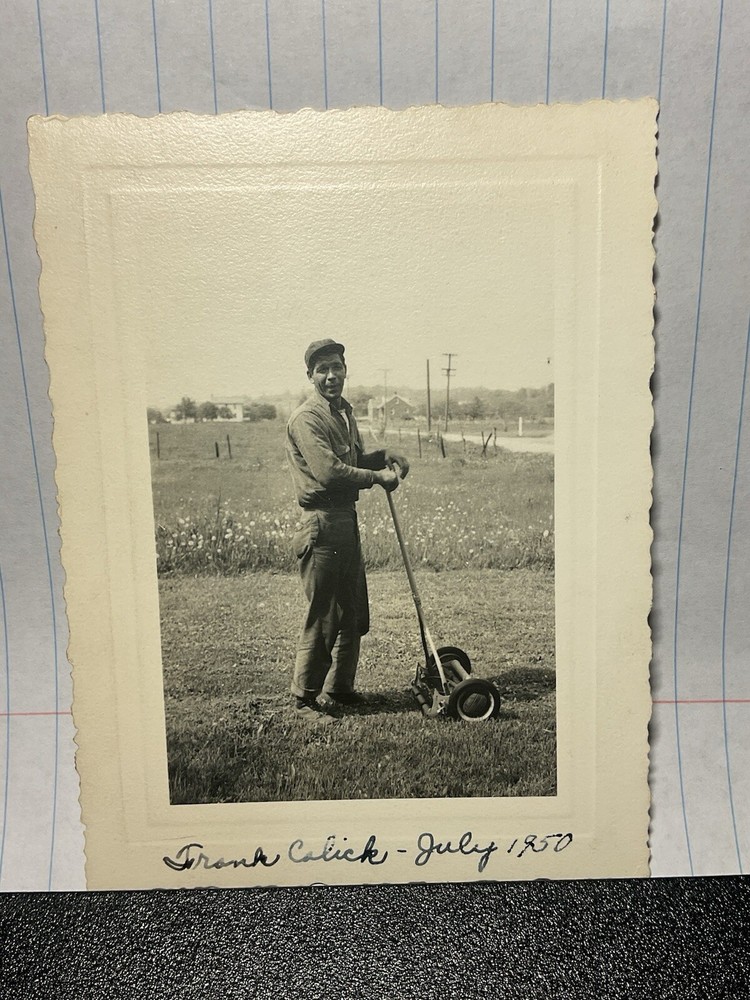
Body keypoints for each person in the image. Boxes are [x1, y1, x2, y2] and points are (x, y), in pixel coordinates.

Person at [285, 339, 409, 724]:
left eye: (336, 367)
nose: (331, 375)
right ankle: (304, 700)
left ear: (345, 370)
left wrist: (381, 455)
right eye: (322, 369)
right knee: (324, 614)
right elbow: (328, 471)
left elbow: (349, 460)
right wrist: (376, 477)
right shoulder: (307, 418)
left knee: (352, 610)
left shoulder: (343, 413)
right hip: (321, 523)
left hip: (345, 519)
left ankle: (340, 687)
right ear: (310, 376)